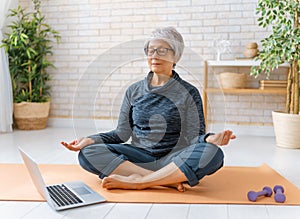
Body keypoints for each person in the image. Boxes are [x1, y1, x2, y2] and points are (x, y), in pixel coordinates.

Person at [61, 27, 236, 191]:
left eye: (162, 50)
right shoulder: (134, 90)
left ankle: (140, 182)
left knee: (212, 153)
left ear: (176, 57)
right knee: (87, 153)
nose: (154, 55)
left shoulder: (189, 92)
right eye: (151, 50)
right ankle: (166, 180)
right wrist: (90, 140)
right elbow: (121, 134)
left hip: (173, 158)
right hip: (138, 157)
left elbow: (193, 138)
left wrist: (209, 139)